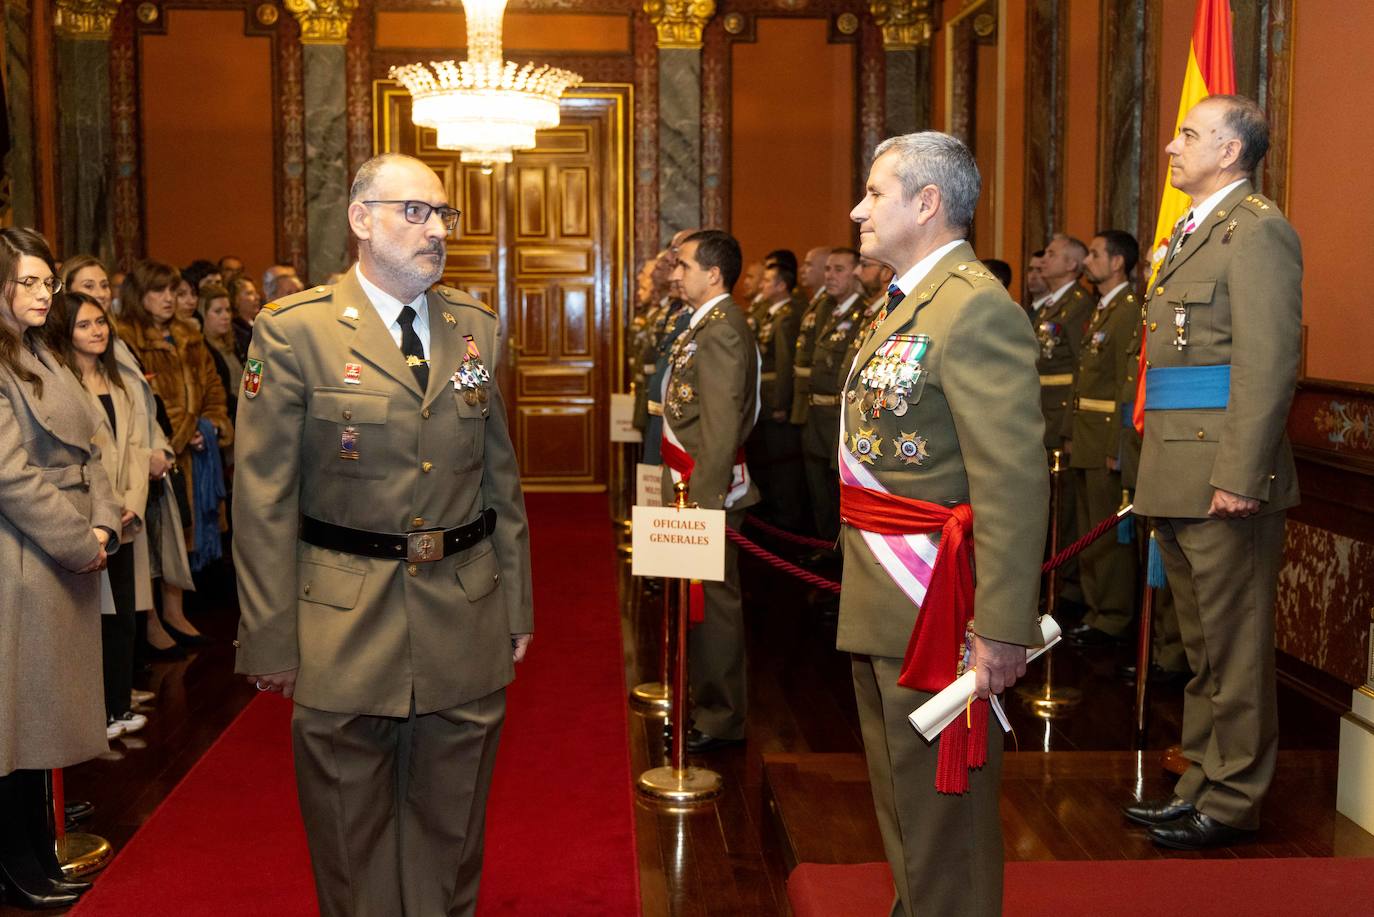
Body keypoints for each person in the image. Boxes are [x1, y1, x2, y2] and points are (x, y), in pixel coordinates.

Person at [233, 152, 533, 916]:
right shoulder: (295, 332)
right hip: (341, 619)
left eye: (443, 216)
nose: (435, 231)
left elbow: (500, 481)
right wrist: (270, 638)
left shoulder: (476, 327)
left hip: (462, 615)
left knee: (451, 830)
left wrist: (516, 608)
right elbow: (263, 498)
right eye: (415, 212)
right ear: (361, 221)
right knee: (349, 835)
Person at [841, 132, 1047, 917]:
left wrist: (1000, 627)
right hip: (885, 591)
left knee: (945, 813)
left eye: (875, 193)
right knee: (904, 800)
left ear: (927, 203)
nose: (859, 209)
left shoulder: (973, 310)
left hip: (937, 600)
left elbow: (1012, 483)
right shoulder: (902, 303)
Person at [1123, 95, 1302, 850]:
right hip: (1176, 469)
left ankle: (1233, 797)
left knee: (1235, 648)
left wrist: (1238, 474)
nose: (1170, 145)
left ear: (1230, 151)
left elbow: (1268, 362)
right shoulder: (1194, 232)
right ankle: (1200, 774)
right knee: (1200, 649)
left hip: (1224, 476)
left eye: (1189, 134)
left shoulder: (1257, 230)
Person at [0, 227, 121, 909]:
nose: (45, 293)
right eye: (29, 282)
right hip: (24, 556)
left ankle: (37, 852)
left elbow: (92, 447)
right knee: (15, 725)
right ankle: (19, 862)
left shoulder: (39, 353)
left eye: (49, 281)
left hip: (68, 543)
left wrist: (104, 519)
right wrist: (81, 539)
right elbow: (11, 475)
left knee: (36, 728)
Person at [661, 229, 760, 753]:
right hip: (689, 485)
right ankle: (696, 701)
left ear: (713, 274)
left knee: (713, 610)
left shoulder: (721, 329)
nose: (675, 274)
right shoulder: (704, 324)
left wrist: (701, 506)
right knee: (692, 606)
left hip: (706, 493)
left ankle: (721, 717)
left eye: (683, 265)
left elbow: (722, 428)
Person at [46, 290, 153, 740]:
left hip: (125, 515)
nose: (98, 331)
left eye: (101, 322)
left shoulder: (120, 381)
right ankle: (96, 713)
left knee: (123, 616)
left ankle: (118, 704)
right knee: (93, 618)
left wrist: (131, 502)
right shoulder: (60, 382)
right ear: (65, 332)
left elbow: (136, 448)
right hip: (88, 517)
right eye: (85, 324)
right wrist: (105, 509)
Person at [117, 261, 232, 641]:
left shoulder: (188, 333)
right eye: (159, 291)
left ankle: (175, 611)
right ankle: (151, 621)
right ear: (140, 295)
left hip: (195, 452)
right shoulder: (127, 336)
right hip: (158, 453)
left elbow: (212, 386)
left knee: (186, 533)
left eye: (172, 290)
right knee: (155, 537)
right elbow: (148, 400)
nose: (168, 299)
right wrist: (184, 432)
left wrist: (212, 423)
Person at [1062, 231, 1141, 647]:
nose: (1087, 261)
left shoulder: (1128, 310)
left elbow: (1123, 389)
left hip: (1106, 438)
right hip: (1087, 436)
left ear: (1117, 263)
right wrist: (1072, 434)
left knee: (1108, 536)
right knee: (1089, 530)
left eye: (1094, 254)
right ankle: (1095, 608)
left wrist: (1116, 448)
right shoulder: (1102, 309)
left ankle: (1111, 616)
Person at [800, 248, 863, 544]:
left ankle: (836, 561)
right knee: (817, 493)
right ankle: (823, 548)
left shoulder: (862, 312)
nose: (830, 276)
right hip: (815, 416)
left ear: (856, 273)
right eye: (827, 269)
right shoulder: (825, 309)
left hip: (838, 417)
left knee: (837, 492)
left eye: (839, 269)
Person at [746, 260, 805, 532]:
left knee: (782, 468)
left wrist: (781, 402)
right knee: (768, 463)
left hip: (774, 401)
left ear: (782, 285)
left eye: (768, 281)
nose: (762, 285)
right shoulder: (770, 314)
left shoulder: (786, 315)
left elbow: (783, 363)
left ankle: (785, 525)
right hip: (764, 398)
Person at [788, 246, 833, 439]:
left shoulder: (826, 303)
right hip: (805, 394)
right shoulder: (815, 301)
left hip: (815, 394)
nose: (802, 270)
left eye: (808, 265)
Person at [198, 283, 242, 424]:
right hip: (227, 420)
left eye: (228, 310)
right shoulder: (203, 348)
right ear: (202, 314)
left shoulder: (233, 344)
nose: (226, 316)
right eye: (218, 311)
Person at [228, 275, 262, 363]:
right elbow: (253, 365)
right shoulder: (234, 331)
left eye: (256, 293)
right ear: (235, 299)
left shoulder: (258, 324)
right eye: (249, 293)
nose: (257, 297)